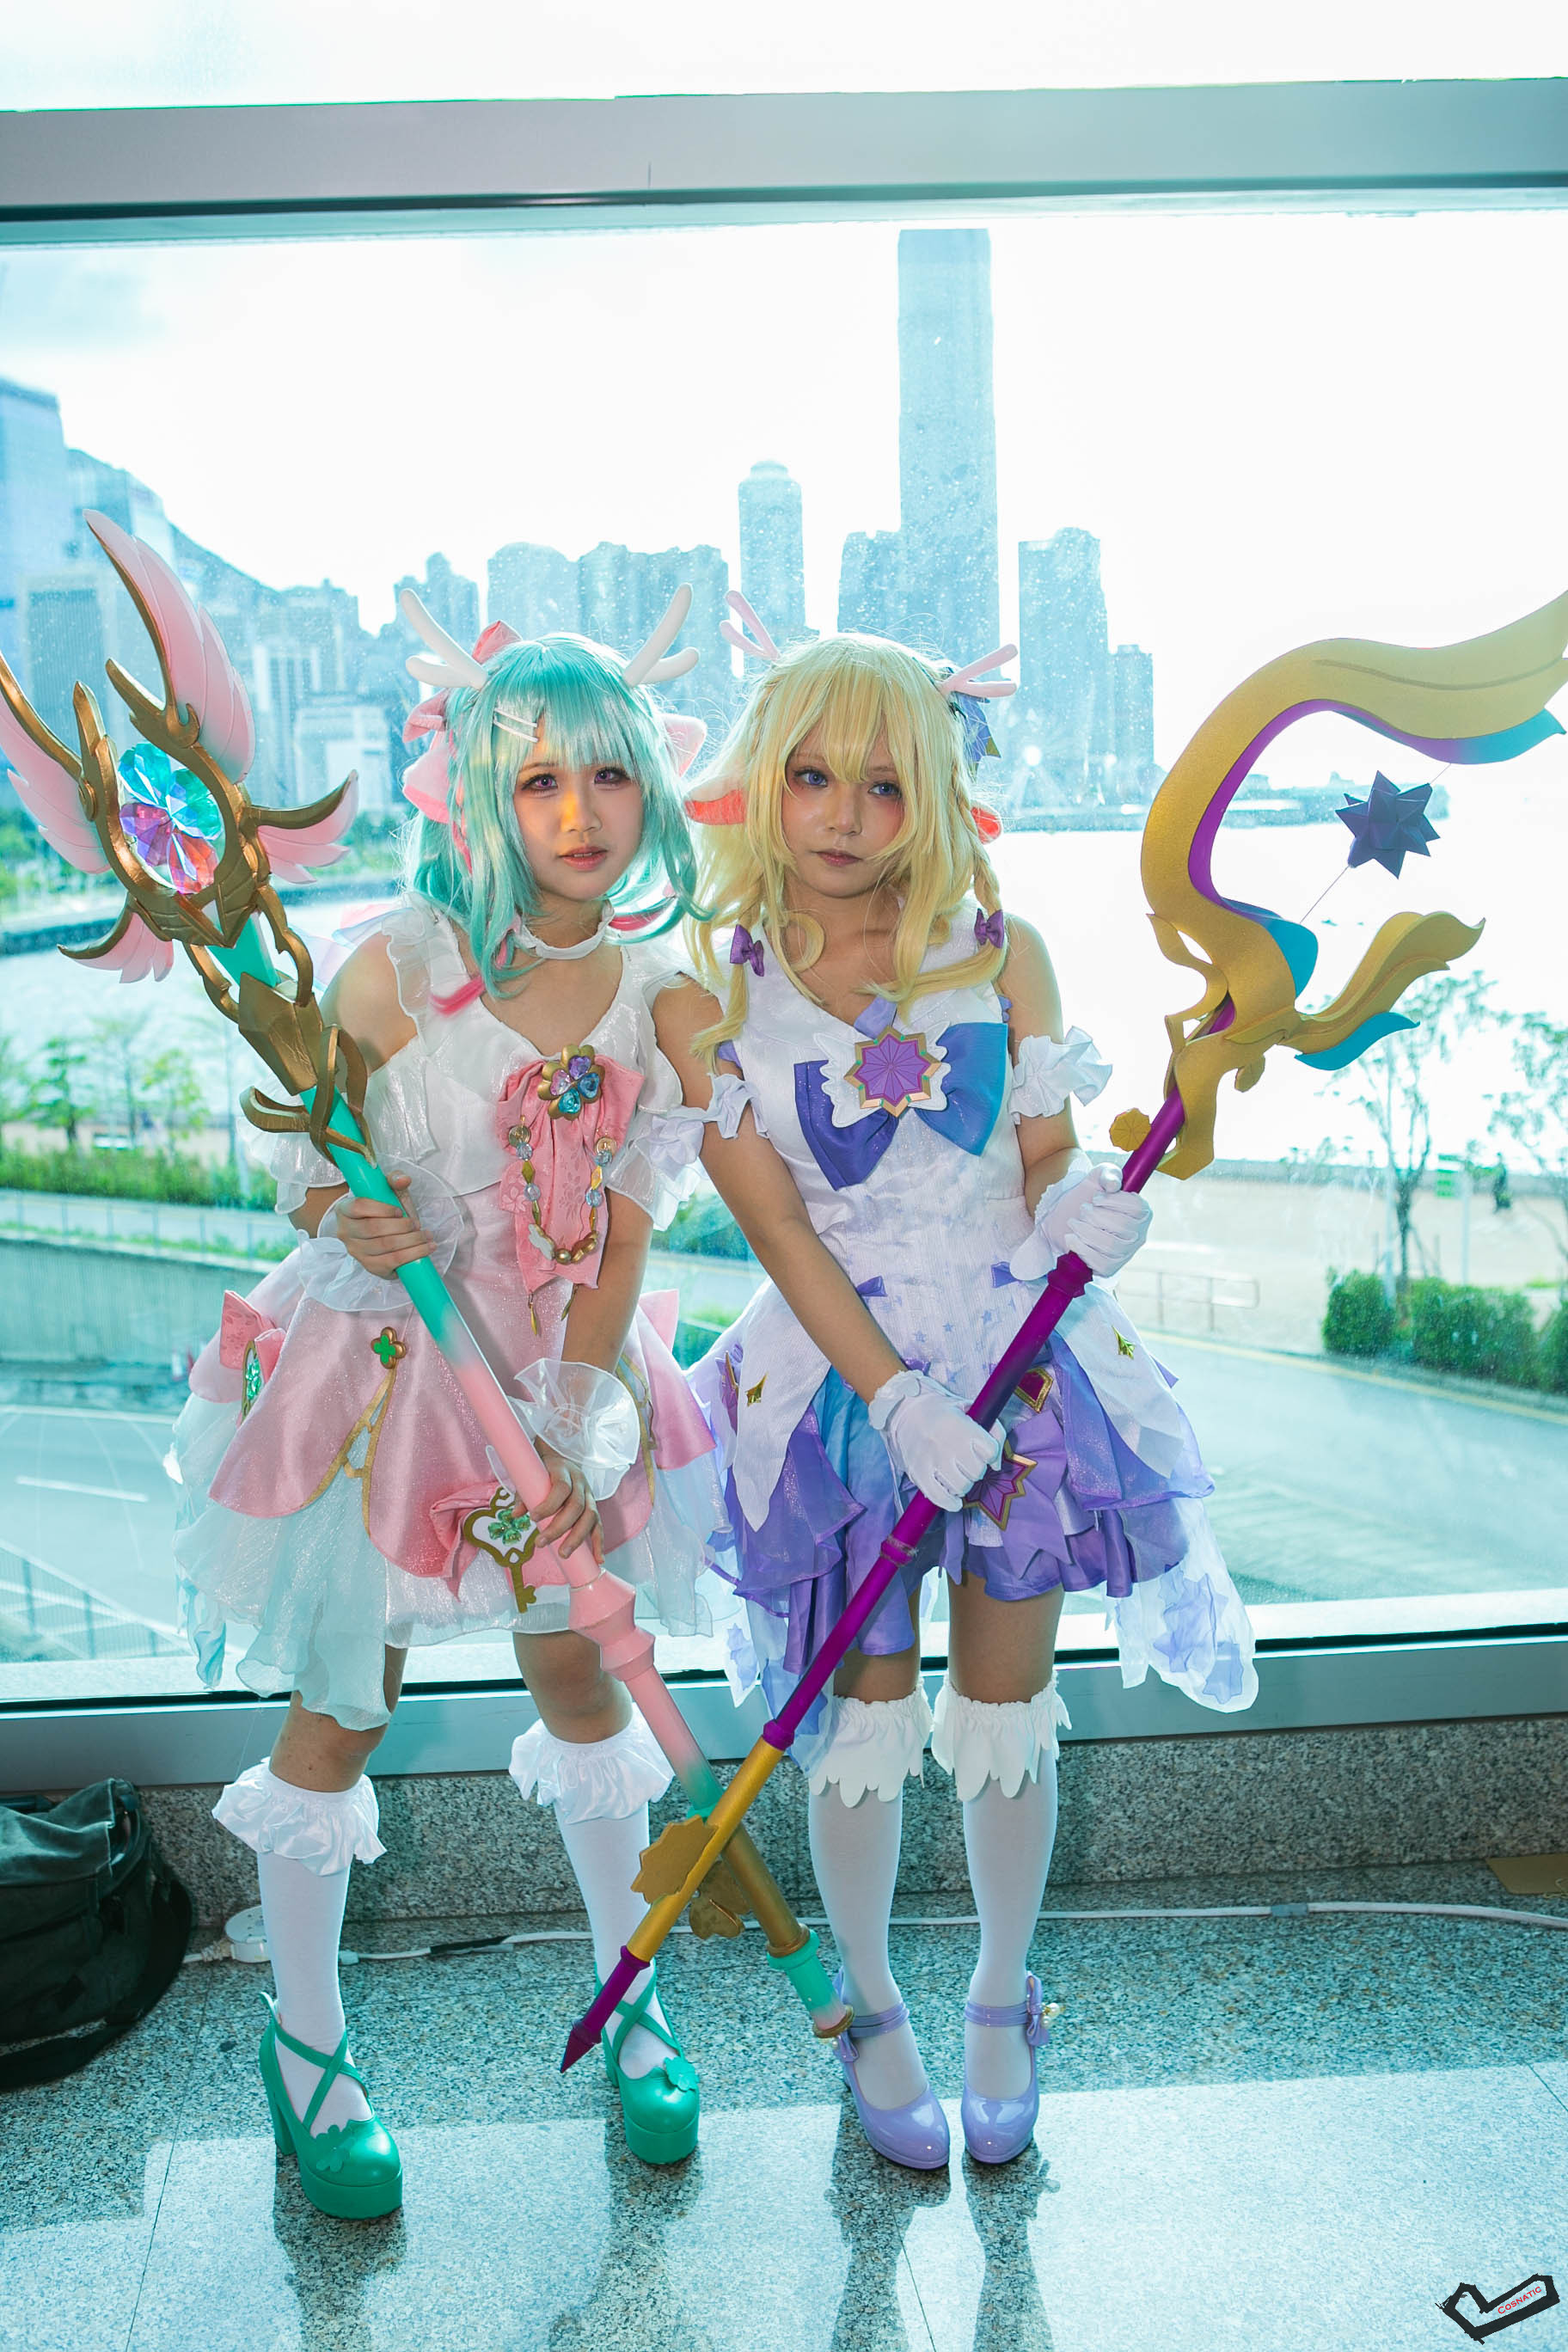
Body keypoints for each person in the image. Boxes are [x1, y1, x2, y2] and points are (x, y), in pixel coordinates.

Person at [640, 628, 1257, 2172]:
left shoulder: (1004, 949)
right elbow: (780, 1232)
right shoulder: (710, 994)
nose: (844, 814)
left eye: (884, 783)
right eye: (811, 775)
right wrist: (896, 1399)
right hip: (839, 1389)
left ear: (935, 794)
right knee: (861, 1717)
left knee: (1001, 1707)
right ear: (760, 784)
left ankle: (998, 1995)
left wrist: (1077, 1213)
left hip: (1024, 1368)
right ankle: (869, 2004)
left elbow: (1045, 1158)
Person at [172, 603, 725, 2214]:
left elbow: (629, 1232)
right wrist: (349, 1213)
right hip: (392, 1374)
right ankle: (306, 2047)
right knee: (348, 1700)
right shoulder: (399, 965)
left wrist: (579, 1414)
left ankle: (628, 2000)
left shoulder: (661, 994)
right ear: (480, 795)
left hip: (558, 1372)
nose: (579, 812)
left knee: (579, 1667)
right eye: (539, 780)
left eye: (608, 775)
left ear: (652, 791)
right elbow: (303, 1164)